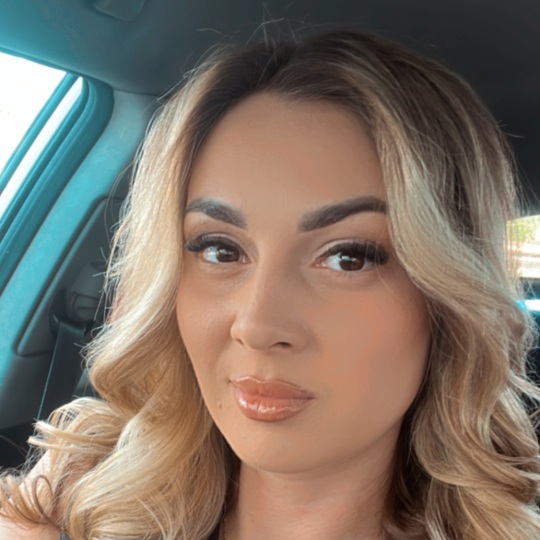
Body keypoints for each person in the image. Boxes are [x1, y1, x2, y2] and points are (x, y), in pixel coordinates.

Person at [1, 28, 540, 540]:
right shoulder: (70, 496)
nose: (257, 326)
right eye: (219, 249)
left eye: (349, 257)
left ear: (446, 299)